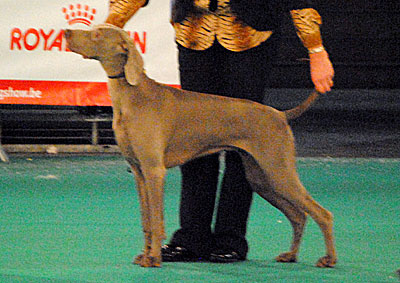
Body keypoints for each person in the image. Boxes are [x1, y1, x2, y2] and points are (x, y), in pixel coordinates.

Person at [105, 0, 334, 263]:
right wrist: (111, 25)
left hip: (250, 37)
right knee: (190, 143)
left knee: (246, 144)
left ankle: (231, 239)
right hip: (195, 34)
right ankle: (191, 238)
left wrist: (316, 50)